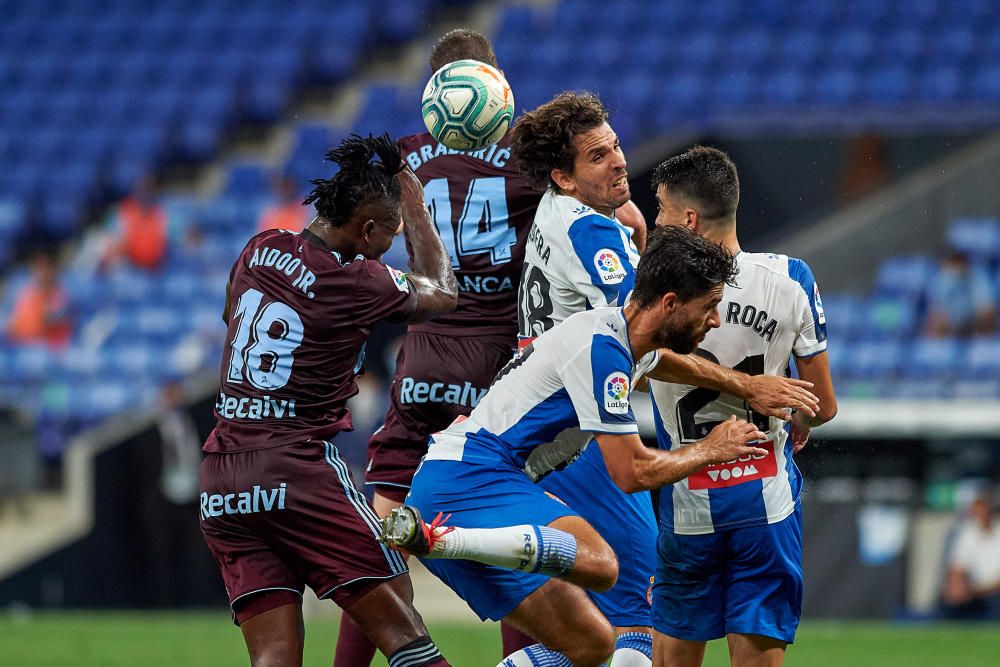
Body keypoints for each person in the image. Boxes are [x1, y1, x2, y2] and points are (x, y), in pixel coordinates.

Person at [334, 30, 649, 665]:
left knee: (383, 531)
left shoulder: (406, 159)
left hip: (421, 360)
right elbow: (628, 224)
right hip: (499, 366)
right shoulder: (532, 165)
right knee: (516, 520)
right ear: (495, 84)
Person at [382, 226, 820, 667]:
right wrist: (711, 448)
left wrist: (746, 385)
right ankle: (441, 540)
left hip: (469, 477)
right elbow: (632, 474)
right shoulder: (603, 353)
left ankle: (438, 537)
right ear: (670, 304)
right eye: (708, 307)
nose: (716, 321)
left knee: (592, 643)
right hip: (472, 477)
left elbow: (663, 363)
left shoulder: (622, 334)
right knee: (601, 564)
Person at [508, 92, 814, 666]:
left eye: (617, 145)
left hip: (552, 425)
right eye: (598, 157)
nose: (621, 161)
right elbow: (645, 339)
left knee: (602, 631)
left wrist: (642, 241)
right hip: (582, 437)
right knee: (636, 630)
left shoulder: (560, 212)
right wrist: (746, 387)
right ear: (563, 177)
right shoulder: (592, 236)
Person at [198, 134, 457, 667]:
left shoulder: (259, 247)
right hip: (293, 466)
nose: (390, 244)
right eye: (389, 234)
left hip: (222, 480)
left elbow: (232, 319)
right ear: (366, 229)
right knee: (401, 621)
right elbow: (441, 289)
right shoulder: (355, 279)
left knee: (273, 654)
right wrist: (413, 201)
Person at [646, 146, 837, 667]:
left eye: (660, 210)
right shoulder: (791, 277)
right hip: (767, 503)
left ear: (689, 219)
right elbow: (823, 405)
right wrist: (796, 415)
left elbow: (632, 371)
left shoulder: (655, 291)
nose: (656, 222)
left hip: (688, 501)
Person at [941, 491, 1000, 620]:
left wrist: (977, 591)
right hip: (973, 591)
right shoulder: (968, 532)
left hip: (993, 593)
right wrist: (957, 587)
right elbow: (958, 566)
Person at [100, 174, 168, 271]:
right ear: (136, 191)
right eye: (143, 189)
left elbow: (181, 240)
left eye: (150, 189)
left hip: (159, 267)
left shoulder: (164, 213)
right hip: (128, 264)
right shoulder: (123, 211)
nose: (146, 194)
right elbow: (111, 240)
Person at [5, 251, 72, 347]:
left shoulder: (61, 295)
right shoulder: (26, 292)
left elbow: (46, 323)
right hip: (22, 344)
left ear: (53, 270)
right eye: (39, 267)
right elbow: (13, 324)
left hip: (49, 347)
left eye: (46, 267)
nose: (42, 272)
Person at [924, 248, 996, 337]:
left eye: (955, 264)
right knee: (934, 325)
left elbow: (986, 309)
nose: (952, 269)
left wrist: (969, 324)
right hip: (952, 323)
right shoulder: (941, 280)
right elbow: (937, 311)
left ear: (963, 264)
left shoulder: (978, 277)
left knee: (987, 321)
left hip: (974, 321)